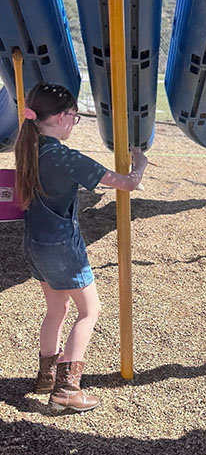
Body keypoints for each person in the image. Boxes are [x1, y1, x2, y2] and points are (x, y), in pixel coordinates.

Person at [14, 82, 148, 413]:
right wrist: (140, 163)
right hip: (61, 249)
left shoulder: (30, 148)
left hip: (35, 244)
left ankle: (46, 377)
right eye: (74, 117)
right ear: (60, 117)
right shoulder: (65, 157)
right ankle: (66, 390)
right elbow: (127, 184)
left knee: (56, 310)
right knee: (90, 311)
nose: (74, 123)